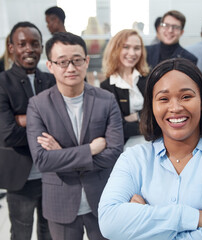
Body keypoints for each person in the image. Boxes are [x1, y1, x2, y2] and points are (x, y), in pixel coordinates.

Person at [98, 58, 202, 240]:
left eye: (186, 97)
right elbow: (109, 223)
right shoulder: (134, 159)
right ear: (151, 106)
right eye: (163, 99)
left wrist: (145, 220)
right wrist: (195, 217)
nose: (175, 108)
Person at [26, 32, 124, 240]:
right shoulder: (38, 105)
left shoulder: (106, 100)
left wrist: (61, 155)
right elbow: (43, 161)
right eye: (62, 62)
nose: (71, 68)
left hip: (103, 201)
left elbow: (114, 153)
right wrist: (89, 150)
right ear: (50, 66)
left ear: (87, 61)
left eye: (77, 60)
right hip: (60, 204)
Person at [0, 21, 55, 240]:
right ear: (12, 47)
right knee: (20, 234)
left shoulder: (51, 80)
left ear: (42, 47)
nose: (29, 49)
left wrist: (23, 119)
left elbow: (62, 127)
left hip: (52, 175)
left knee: (49, 233)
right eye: (22, 44)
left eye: (35, 44)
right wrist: (43, 127)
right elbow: (7, 133)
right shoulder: (2, 83)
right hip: (20, 179)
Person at [100, 29, 149, 146]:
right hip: (127, 145)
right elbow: (119, 127)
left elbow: (159, 111)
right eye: (126, 47)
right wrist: (148, 120)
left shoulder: (149, 78)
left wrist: (136, 116)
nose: (132, 53)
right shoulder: (107, 86)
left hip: (155, 140)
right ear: (115, 49)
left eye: (137, 48)